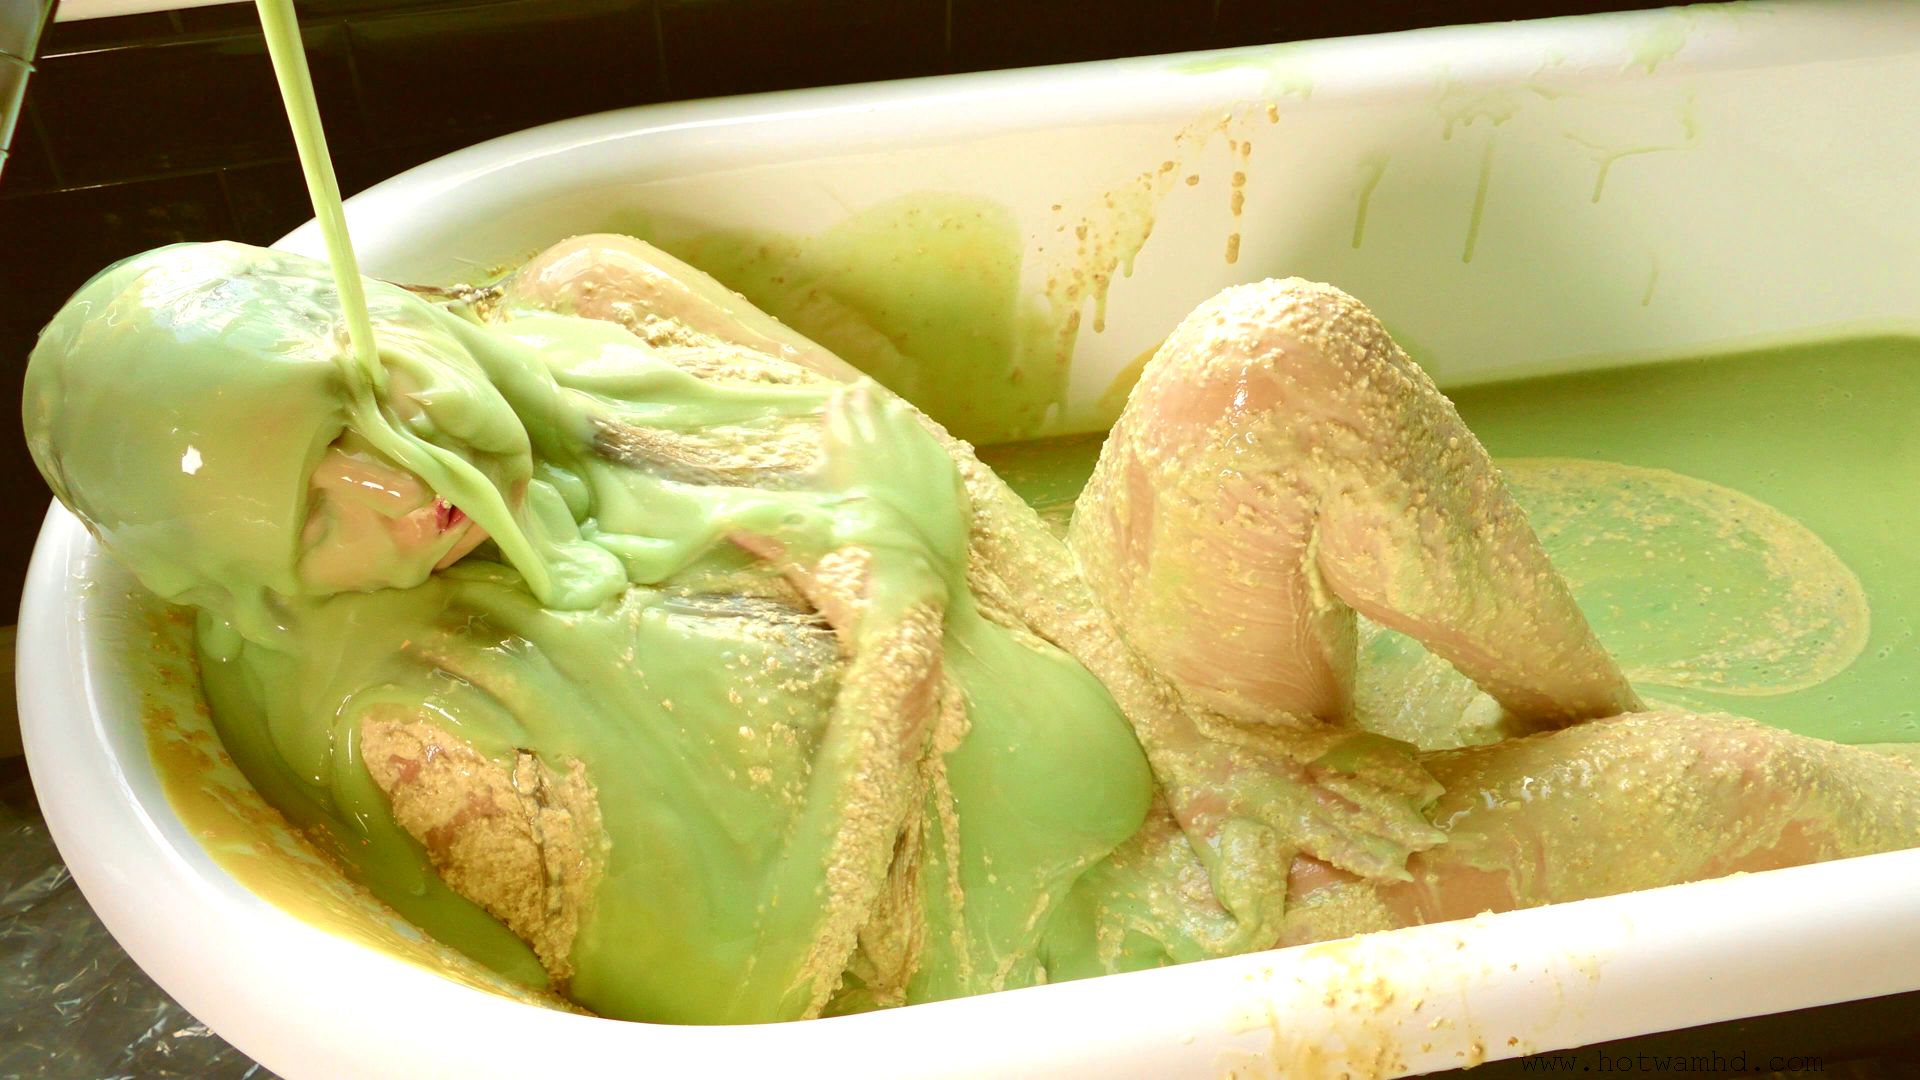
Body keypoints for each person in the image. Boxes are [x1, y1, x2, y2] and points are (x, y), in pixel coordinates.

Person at [23, 237, 1920, 1025]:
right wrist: (903, 640)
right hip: (1129, 955)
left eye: (370, 389)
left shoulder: (590, 304)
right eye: (318, 502)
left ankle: (1556, 734)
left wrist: (1197, 738)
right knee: (1727, 790)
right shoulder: (434, 734)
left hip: (1172, 741)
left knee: (1272, 363)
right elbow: (771, 1002)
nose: (403, 474)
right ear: (245, 587)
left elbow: (934, 479)